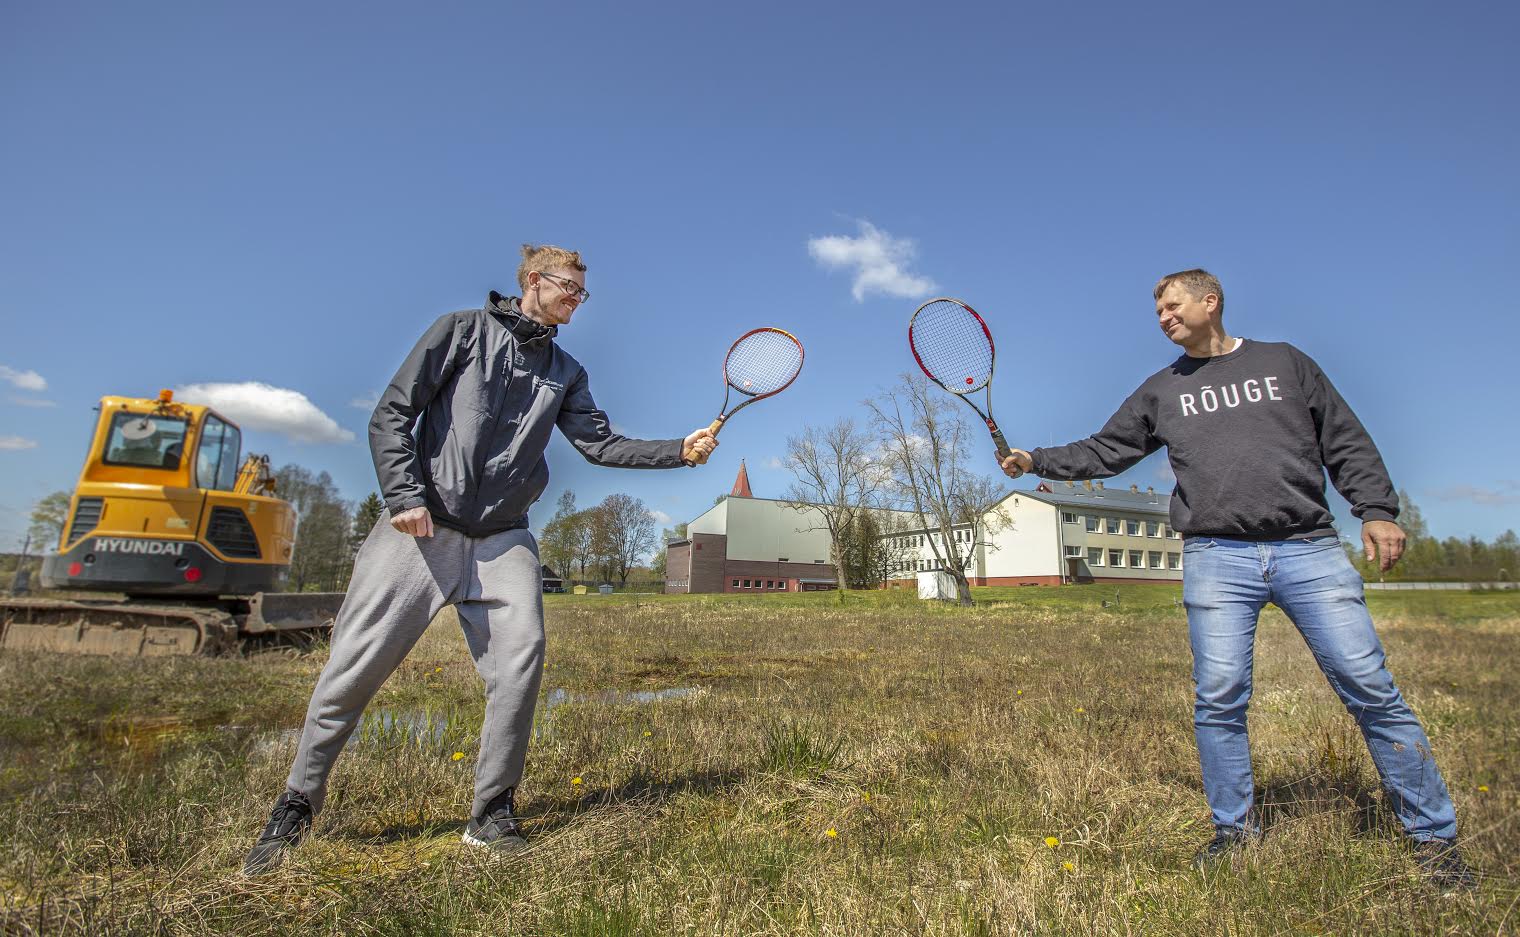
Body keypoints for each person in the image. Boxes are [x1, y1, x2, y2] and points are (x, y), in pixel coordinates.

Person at [243, 244, 718, 875]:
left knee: (520, 665)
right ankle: (296, 807)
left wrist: (677, 451)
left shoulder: (566, 371)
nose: (578, 299)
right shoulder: (460, 331)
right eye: (568, 288)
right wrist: (405, 495)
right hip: (421, 529)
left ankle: (492, 813)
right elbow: (392, 414)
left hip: (503, 537)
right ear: (531, 281)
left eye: (583, 293)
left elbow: (599, 446)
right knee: (352, 671)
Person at [999, 269, 1473, 890]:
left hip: (1307, 548)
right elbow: (1105, 450)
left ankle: (1434, 842)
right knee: (1219, 697)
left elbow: (1345, 439)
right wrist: (1038, 460)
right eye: (1159, 312)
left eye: (1173, 306)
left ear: (1209, 301)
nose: (1164, 318)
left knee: (1369, 686)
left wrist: (1377, 511)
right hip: (1217, 556)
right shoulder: (1162, 390)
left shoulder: (1284, 363)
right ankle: (1234, 831)